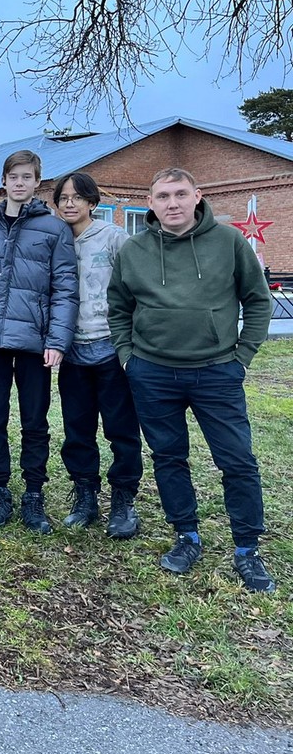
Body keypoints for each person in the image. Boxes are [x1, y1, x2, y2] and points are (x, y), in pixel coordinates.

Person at [108, 168, 275, 592]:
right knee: (168, 457)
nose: (173, 203)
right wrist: (128, 358)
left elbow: (258, 300)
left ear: (197, 196)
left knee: (237, 460)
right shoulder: (133, 250)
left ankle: (247, 549)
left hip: (217, 371)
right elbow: (119, 307)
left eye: (180, 194)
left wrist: (242, 357)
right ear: (150, 203)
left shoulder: (229, 242)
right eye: (163, 196)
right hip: (152, 372)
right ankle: (187, 535)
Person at [0, 150, 78, 534]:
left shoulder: (54, 229)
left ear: (37, 182)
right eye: (13, 176)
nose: (19, 183)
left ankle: (34, 494)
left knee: (34, 421)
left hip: (34, 343)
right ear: (3, 181)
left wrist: (57, 340)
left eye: (27, 177)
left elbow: (65, 290)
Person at [54, 173, 143, 538]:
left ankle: (123, 499)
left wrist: (131, 343)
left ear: (92, 202)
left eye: (77, 197)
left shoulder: (113, 237)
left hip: (110, 350)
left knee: (121, 430)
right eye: (63, 198)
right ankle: (85, 494)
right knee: (77, 430)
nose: (69, 203)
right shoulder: (55, 240)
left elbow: (137, 288)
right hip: (70, 352)